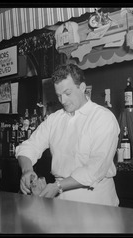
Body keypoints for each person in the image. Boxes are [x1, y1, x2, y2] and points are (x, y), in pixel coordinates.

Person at [15, 63, 120, 206]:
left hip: (96, 201)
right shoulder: (54, 119)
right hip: (61, 201)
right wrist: (27, 170)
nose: (63, 101)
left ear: (82, 87)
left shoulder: (103, 118)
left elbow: (95, 168)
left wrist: (58, 186)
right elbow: (29, 146)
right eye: (59, 95)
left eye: (68, 93)